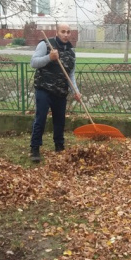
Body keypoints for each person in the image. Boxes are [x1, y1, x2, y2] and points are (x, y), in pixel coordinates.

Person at [29, 23, 81, 163]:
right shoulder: (46, 45)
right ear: (57, 32)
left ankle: (59, 146)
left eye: (68, 32)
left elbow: (71, 74)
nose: (66, 34)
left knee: (60, 121)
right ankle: (35, 148)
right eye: (63, 31)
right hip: (44, 89)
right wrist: (49, 58)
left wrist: (75, 91)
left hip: (60, 91)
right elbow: (33, 63)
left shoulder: (71, 51)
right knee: (40, 119)